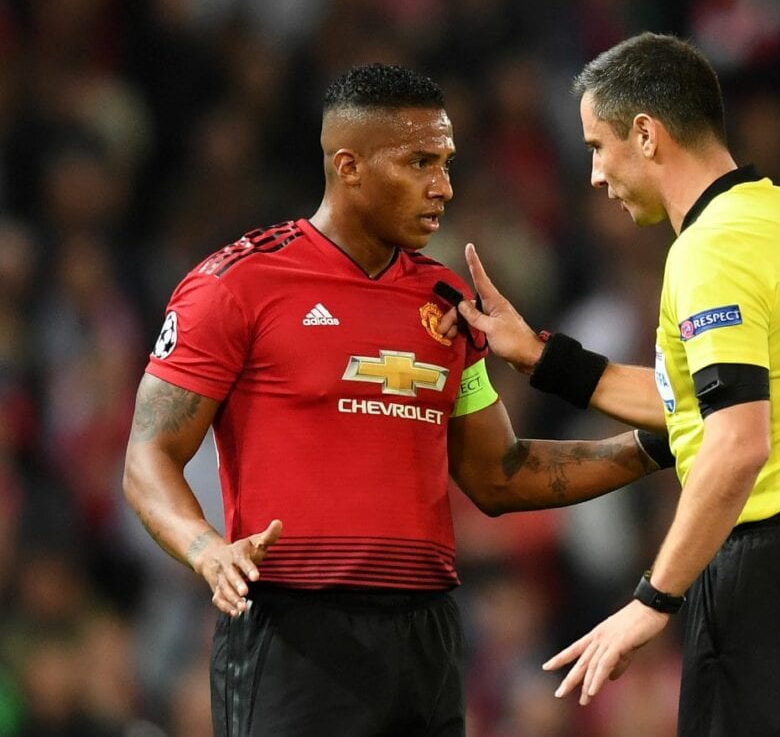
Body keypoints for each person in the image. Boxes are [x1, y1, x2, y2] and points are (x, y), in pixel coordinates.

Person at [121, 64, 670, 736]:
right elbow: (148, 456)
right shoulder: (236, 284)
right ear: (348, 167)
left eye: (445, 161)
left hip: (426, 636)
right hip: (295, 628)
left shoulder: (446, 303)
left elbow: (500, 473)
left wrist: (657, 443)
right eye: (418, 161)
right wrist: (207, 548)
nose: (442, 184)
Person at [453, 33, 780, 735]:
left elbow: (736, 442)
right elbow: (699, 401)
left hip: (774, 593)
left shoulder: (710, 250)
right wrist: (540, 355)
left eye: (598, 147)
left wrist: (652, 600)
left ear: (646, 133)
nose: (596, 174)